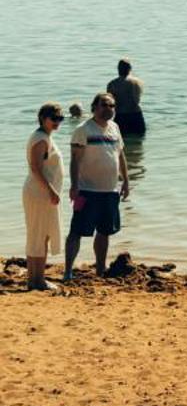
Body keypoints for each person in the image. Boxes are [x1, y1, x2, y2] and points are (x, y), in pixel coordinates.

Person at [65, 93, 128, 281]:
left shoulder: (115, 128)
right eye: (104, 105)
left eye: (112, 105)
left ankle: (100, 270)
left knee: (105, 231)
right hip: (87, 190)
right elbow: (74, 160)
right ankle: (68, 271)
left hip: (110, 190)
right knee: (77, 231)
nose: (109, 108)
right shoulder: (83, 129)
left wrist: (126, 180)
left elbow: (121, 155)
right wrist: (74, 185)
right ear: (94, 107)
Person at [23, 103, 64, 291]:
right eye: (54, 118)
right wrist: (51, 191)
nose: (57, 122)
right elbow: (35, 168)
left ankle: (34, 279)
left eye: (60, 119)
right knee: (39, 235)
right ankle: (37, 280)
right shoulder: (41, 139)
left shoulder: (45, 137)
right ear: (43, 118)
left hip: (41, 192)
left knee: (39, 235)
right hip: (39, 193)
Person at [106, 60, 146, 138]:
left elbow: (110, 104)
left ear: (118, 69)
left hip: (120, 116)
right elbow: (136, 101)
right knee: (138, 140)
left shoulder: (112, 84)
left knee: (120, 141)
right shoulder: (137, 82)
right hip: (135, 115)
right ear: (130, 69)